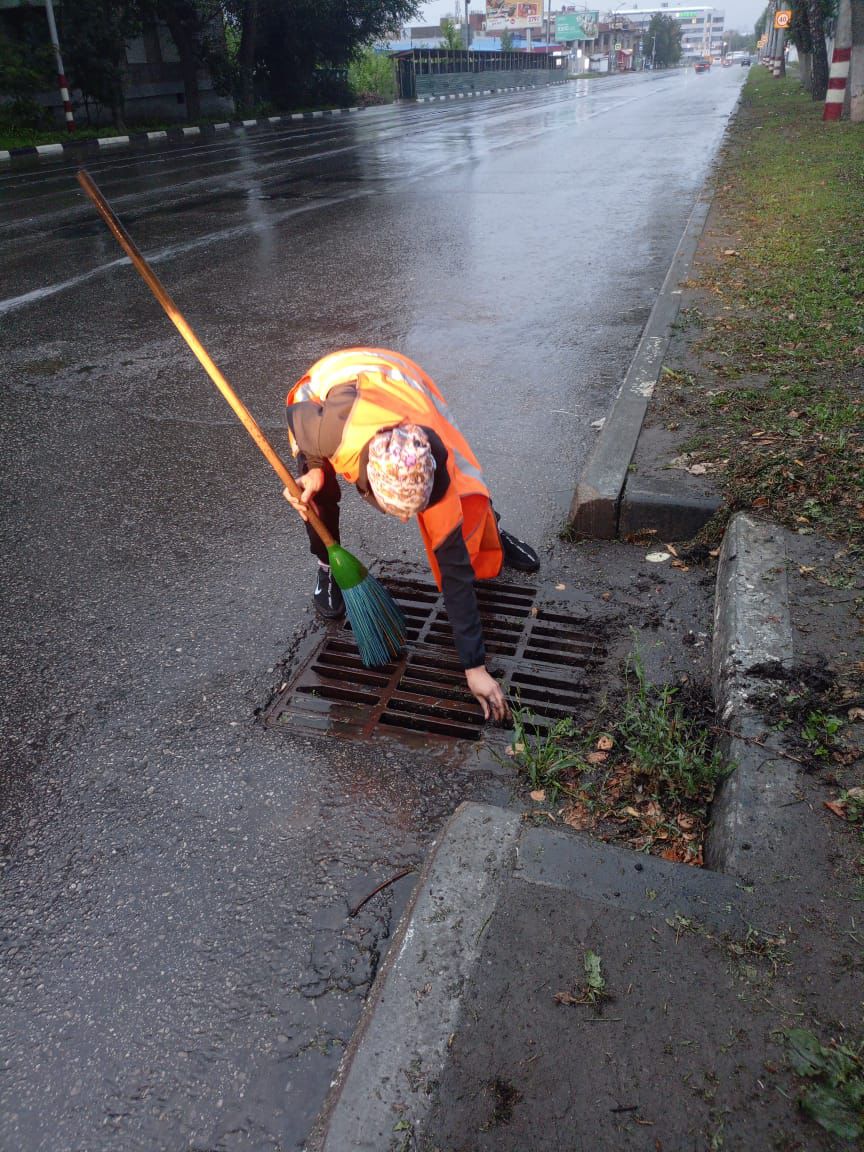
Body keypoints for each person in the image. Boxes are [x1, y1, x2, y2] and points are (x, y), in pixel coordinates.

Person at [283, 347, 539, 723]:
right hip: (338, 384)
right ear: (369, 482)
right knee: (315, 492)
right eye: (397, 512)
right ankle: (326, 566)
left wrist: (475, 667)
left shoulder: (437, 465)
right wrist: (315, 466)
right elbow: (300, 405)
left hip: (405, 384)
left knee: (469, 495)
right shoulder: (329, 433)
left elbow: (455, 578)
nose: (406, 522)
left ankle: (492, 533)